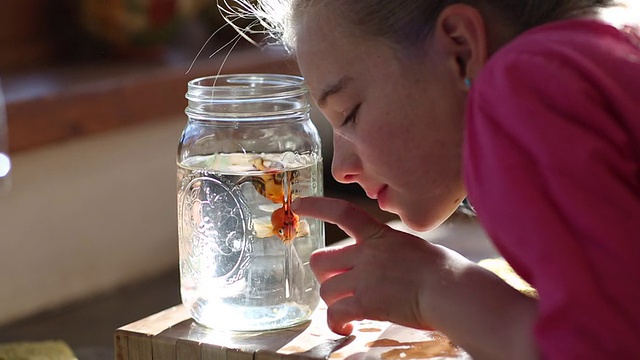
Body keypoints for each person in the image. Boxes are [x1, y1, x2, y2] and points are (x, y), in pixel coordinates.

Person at [227, 0, 640, 358]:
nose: (341, 169)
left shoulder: (525, 87)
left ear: (459, 48)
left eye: (349, 113)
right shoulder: (609, 47)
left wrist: (433, 289)